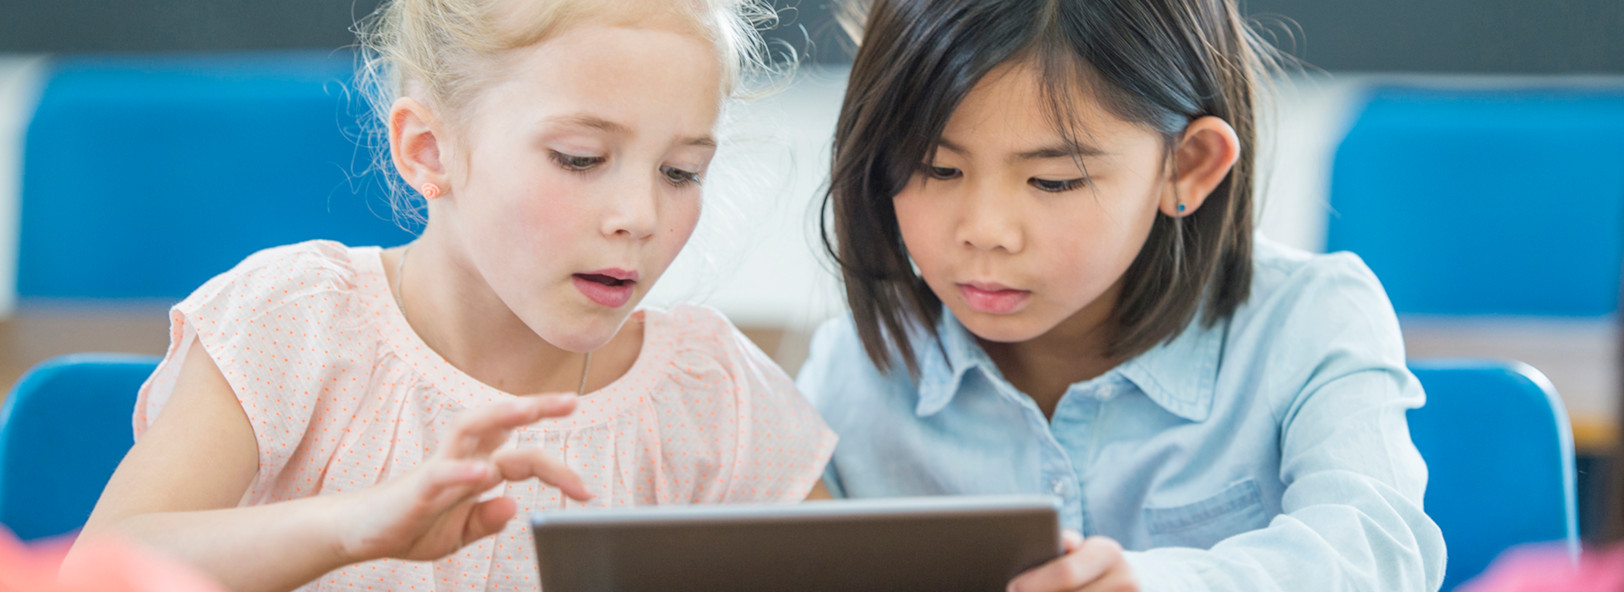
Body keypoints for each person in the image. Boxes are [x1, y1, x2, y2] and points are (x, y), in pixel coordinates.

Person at [64, 1, 835, 590]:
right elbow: (96, 572)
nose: (639, 216)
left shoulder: (716, 395)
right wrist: (351, 527)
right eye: (580, 158)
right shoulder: (293, 321)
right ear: (428, 150)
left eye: (681, 172)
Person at [797, 0, 1445, 590]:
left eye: (1053, 181)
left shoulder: (1311, 319)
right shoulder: (851, 373)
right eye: (937, 168)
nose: (985, 232)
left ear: (1186, 165)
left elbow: (1382, 555)